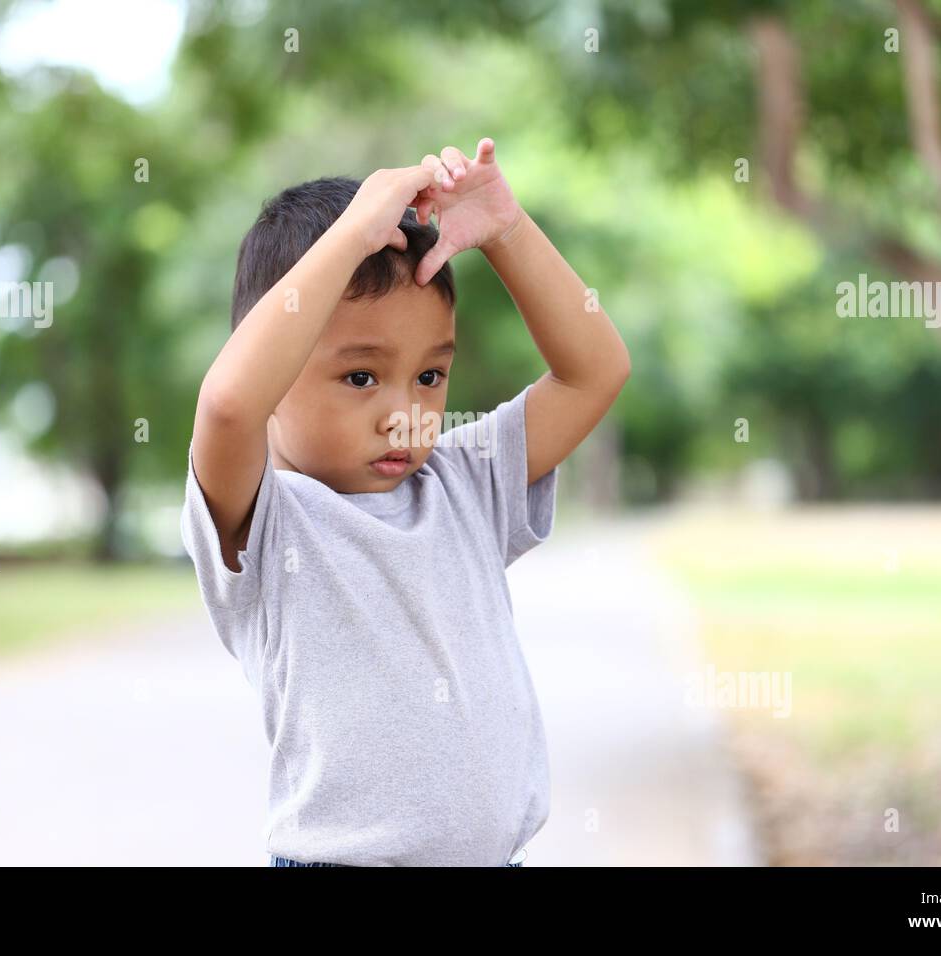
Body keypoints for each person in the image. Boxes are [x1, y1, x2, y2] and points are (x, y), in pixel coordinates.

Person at [181, 137, 630, 866]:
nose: (405, 414)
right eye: (361, 378)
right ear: (276, 361)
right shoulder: (264, 521)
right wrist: (353, 233)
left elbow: (595, 371)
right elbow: (229, 406)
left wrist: (506, 229)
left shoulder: (464, 485)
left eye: (429, 378)